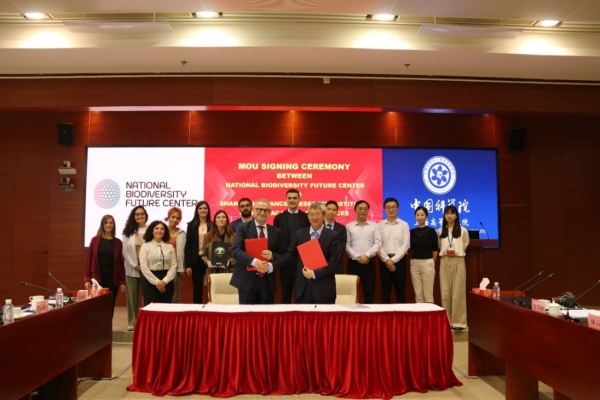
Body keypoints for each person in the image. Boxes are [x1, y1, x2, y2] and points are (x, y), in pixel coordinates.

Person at [283, 202, 341, 304]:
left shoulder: (333, 235)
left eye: (318, 214)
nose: (314, 217)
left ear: (324, 216)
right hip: (303, 288)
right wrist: (272, 263)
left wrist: (314, 273)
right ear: (308, 216)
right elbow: (289, 255)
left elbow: (334, 261)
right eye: (311, 214)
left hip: (324, 289)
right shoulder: (300, 234)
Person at [231, 199, 286, 304]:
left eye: (266, 210)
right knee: (247, 314)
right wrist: (255, 262)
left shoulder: (276, 231)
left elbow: (283, 255)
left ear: (270, 213)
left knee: (266, 313)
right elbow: (235, 251)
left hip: (267, 281)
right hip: (247, 280)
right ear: (254, 210)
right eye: (259, 209)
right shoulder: (242, 228)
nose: (262, 212)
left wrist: (273, 255)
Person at [273, 188, 310, 303]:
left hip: (302, 262)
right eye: (289, 198)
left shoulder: (306, 217)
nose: (292, 200)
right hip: (285, 262)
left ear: (299, 200)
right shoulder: (278, 218)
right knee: (285, 295)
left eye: (295, 198)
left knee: (302, 294)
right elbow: (276, 240)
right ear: (286, 200)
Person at [84, 215, 125, 315]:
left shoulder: (118, 242)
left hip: (112, 279)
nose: (108, 225)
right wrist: (87, 278)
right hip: (97, 278)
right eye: (106, 223)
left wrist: (122, 281)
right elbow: (89, 259)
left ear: (113, 225)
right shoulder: (95, 240)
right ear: (102, 225)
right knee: (97, 306)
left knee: (110, 305)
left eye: (111, 223)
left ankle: (108, 325)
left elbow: (120, 263)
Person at [437, 205, 470, 330]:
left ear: (456, 215)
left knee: (458, 292)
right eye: (447, 214)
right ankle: (447, 321)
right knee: (445, 292)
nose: (449, 216)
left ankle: (459, 323)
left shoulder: (463, 230)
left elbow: (465, 244)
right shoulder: (440, 231)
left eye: (452, 213)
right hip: (445, 261)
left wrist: (456, 252)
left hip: (458, 261)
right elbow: (440, 245)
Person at [345, 200, 381, 304]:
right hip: (353, 263)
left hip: (369, 263)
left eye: (365, 209)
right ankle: (352, 313)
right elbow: (346, 245)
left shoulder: (374, 226)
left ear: (368, 211)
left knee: (369, 293)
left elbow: (378, 243)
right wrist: (358, 257)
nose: (363, 211)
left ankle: (368, 314)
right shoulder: (348, 226)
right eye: (360, 209)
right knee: (352, 293)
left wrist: (366, 255)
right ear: (355, 210)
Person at [377, 197, 410, 303]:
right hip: (384, 261)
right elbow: (378, 245)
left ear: (398, 208)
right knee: (385, 291)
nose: (391, 209)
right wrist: (387, 260)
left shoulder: (404, 224)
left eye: (394, 207)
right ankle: (385, 313)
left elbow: (406, 244)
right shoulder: (379, 225)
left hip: (400, 260)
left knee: (400, 290)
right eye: (388, 207)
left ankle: (402, 313)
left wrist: (394, 260)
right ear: (384, 209)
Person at [139, 221, 177, 305]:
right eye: (156, 228)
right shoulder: (145, 246)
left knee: (165, 308)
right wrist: (157, 282)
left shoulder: (170, 247)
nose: (159, 230)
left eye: (162, 229)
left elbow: (173, 266)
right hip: (149, 280)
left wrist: (164, 282)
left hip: (167, 280)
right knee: (152, 308)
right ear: (152, 231)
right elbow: (144, 267)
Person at [122, 206, 148, 331]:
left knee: (146, 296)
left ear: (145, 215)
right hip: (132, 268)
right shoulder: (128, 231)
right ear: (133, 216)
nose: (140, 216)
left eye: (142, 214)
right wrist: (133, 264)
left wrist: (144, 265)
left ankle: (145, 322)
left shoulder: (150, 229)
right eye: (137, 214)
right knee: (132, 297)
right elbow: (125, 250)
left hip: (147, 268)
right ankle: (132, 322)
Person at [184, 201, 212, 304]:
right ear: (197, 211)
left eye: (205, 208)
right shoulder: (191, 225)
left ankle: (212, 309)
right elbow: (188, 246)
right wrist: (188, 265)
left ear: (208, 210)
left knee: (211, 287)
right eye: (200, 208)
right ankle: (197, 310)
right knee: (197, 289)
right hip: (196, 261)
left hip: (209, 260)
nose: (203, 210)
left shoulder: (212, 225)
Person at [409, 206, 439, 303]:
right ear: (415, 217)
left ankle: (430, 313)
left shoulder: (431, 231)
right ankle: (420, 313)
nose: (420, 217)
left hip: (427, 262)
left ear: (426, 216)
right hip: (414, 263)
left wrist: (432, 262)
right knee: (418, 294)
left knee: (428, 294)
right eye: (418, 215)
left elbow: (435, 250)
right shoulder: (412, 232)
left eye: (422, 215)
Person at [202, 210, 236, 279]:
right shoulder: (207, 236)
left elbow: (238, 255)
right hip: (212, 272)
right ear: (215, 221)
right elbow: (204, 255)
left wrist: (230, 261)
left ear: (227, 220)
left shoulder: (234, 236)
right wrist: (207, 262)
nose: (221, 219)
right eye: (218, 217)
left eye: (223, 217)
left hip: (228, 272)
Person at [164, 207, 186, 303]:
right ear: (168, 217)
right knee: (164, 294)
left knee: (175, 295)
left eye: (177, 218)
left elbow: (184, 251)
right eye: (173, 217)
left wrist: (183, 266)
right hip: (163, 267)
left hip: (177, 267)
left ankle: (175, 313)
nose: (175, 220)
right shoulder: (161, 230)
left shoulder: (182, 233)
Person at [324, 200, 347, 274]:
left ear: (337, 212)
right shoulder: (318, 226)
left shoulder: (342, 228)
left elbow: (342, 247)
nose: (331, 212)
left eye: (334, 210)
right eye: (329, 209)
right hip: (321, 264)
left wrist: (333, 260)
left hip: (336, 264)